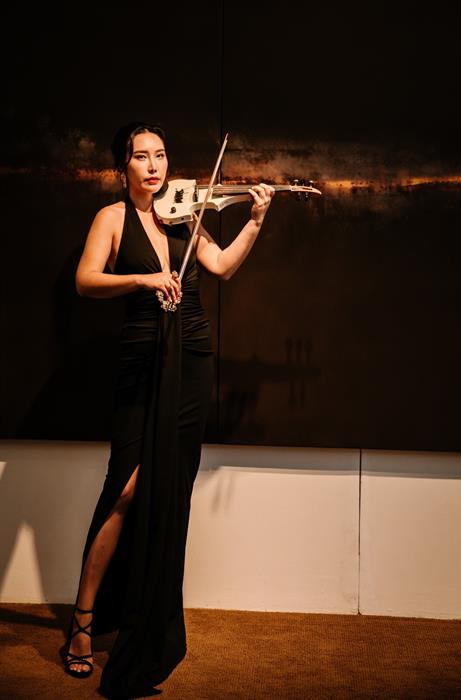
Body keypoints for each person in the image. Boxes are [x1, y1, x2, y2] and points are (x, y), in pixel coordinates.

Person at [62, 121, 275, 698]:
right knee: (125, 489)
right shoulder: (111, 218)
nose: (154, 166)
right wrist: (144, 278)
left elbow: (221, 266)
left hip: (192, 355)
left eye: (160, 155)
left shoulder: (185, 212)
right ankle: (83, 620)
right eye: (141, 156)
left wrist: (255, 221)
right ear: (123, 167)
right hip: (142, 357)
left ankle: (147, 627)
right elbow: (85, 281)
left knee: (169, 491)